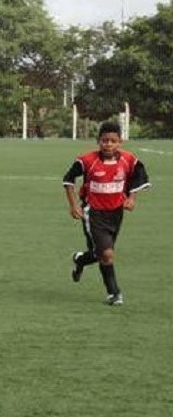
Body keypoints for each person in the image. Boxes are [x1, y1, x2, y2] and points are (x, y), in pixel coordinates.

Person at [63, 121, 150, 306]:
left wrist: (132, 198)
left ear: (120, 142)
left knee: (99, 254)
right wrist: (73, 205)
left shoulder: (129, 160)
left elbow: (138, 176)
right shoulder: (87, 161)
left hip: (116, 213)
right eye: (104, 140)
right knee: (107, 254)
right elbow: (68, 180)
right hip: (93, 213)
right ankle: (114, 294)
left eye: (113, 141)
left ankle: (79, 260)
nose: (108, 144)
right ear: (98, 141)